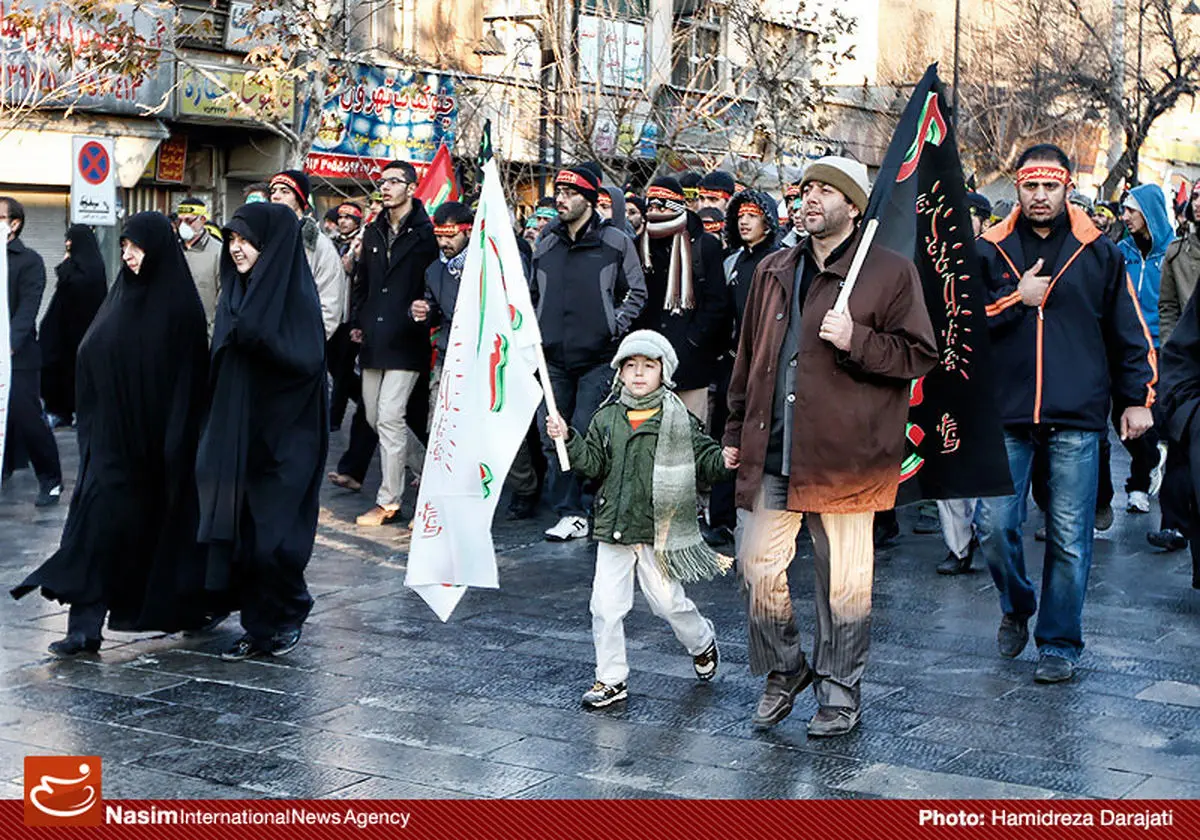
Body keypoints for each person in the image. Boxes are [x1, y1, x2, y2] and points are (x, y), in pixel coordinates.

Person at [724, 156, 938, 736]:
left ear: (852, 204)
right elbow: (749, 361)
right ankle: (785, 667)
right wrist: (733, 431)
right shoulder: (774, 268)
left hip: (846, 456)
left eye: (825, 189)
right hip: (772, 447)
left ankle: (839, 692)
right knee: (756, 565)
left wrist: (858, 340)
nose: (810, 197)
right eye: (806, 188)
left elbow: (918, 355)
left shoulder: (889, 273)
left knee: (843, 584)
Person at [976, 144, 1155, 684]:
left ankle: (1059, 642)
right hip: (1006, 414)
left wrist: (1136, 400)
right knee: (993, 526)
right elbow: (960, 327)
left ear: (1068, 187)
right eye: (1030, 186)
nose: (1039, 196)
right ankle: (1017, 603)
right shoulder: (989, 249)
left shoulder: (1100, 251)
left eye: (1049, 186)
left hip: (1076, 416)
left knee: (1070, 538)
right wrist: (1016, 299)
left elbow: (1128, 332)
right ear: (1017, 186)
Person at [11, 212, 212, 655]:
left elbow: (187, 385)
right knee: (93, 527)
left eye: (136, 247)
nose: (128, 255)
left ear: (157, 248)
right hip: (107, 446)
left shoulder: (179, 308)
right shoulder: (119, 298)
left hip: (155, 450)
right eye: (123, 247)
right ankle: (83, 627)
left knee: (152, 535)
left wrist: (174, 445)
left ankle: (193, 609)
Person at [546, 330, 728, 708]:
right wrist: (568, 439)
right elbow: (593, 463)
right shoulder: (608, 416)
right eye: (631, 366)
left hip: (656, 528)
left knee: (667, 603)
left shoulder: (677, 417)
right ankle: (610, 679)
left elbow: (705, 459)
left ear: (665, 371)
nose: (639, 373)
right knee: (605, 607)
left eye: (649, 366)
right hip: (613, 528)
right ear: (620, 373)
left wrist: (723, 461)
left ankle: (701, 640)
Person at [196, 202, 328, 661]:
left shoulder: (294, 296)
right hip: (240, 433)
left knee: (276, 537)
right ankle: (258, 626)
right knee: (247, 535)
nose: (236, 249)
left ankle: (289, 611)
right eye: (231, 239)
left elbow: (306, 361)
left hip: (288, 436)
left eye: (246, 240)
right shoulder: (236, 292)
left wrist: (255, 336)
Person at [532, 165, 647, 542]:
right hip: (551, 359)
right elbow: (532, 294)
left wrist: (612, 326)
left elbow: (636, 291)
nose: (560, 199)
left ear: (590, 199)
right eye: (557, 192)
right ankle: (569, 510)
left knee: (581, 431)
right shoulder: (546, 242)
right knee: (552, 437)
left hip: (597, 358)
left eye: (569, 193)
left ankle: (583, 506)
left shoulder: (615, 241)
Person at [348, 160, 439, 527]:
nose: (384, 188)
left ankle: (390, 500)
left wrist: (428, 309)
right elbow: (363, 283)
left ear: (412, 187)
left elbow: (437, 286)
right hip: (373, 337)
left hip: (407, 339)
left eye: (393, 182)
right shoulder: (372, 231)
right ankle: (434, 473)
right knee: (374, 417)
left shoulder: (427, 235)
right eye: (382, 182)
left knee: (389, 416)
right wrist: (358, 320)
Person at [2, 196, 63, 506]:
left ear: (15, 224)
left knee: (27, 417)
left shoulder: (29, 261)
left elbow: (27, 308)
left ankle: (50, 478)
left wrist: (9, 344)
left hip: (18, 356)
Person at [1150, 180, 1200, 553]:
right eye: (1196, 197)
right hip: (1187, 366)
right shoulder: (1177, 252)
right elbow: (1168, 305)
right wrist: (1170, 344)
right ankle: (1175, 525)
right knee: (1180, 457)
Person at [1118, 184, 1173, 515]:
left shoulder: (1171, 254)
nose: (1125, 217)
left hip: (1162, 347)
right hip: (1127, 346)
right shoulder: (1120, 251)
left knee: (1153, 416)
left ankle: (1138, 486)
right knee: (1120, 418)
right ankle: (1152, 459)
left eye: (1131, 211)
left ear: (1148, 214)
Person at [39, 224, 108, 427]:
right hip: (64, 333)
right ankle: (60, 411)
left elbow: (76, 287)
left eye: (71, 239)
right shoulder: (78, 266)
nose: (67, 243)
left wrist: (66, 265)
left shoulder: (92, 270)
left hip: (81, 334)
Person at [269, 170, 346, 343]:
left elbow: (330, 304)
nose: (276, 196)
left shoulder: (318, 245)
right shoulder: (262, 240)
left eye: (285, 191)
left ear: (300, 198)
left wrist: (307, 345)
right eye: (273, 191)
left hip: (299, 343)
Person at [177, 196, 222, 340]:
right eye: (180, 221)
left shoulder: (219, 252)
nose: (183, 226)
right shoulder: (173, 250)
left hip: (204, 338)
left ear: (202, 219)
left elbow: (222, 301)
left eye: (189, 221)